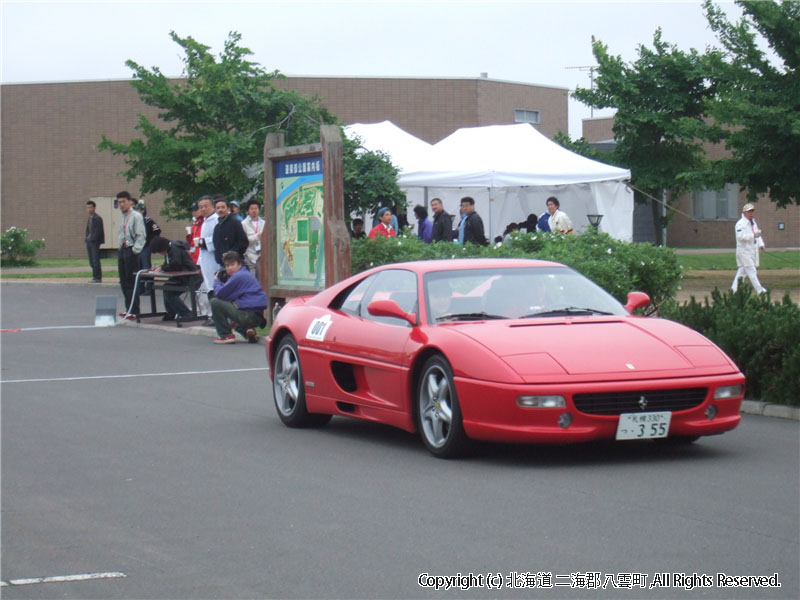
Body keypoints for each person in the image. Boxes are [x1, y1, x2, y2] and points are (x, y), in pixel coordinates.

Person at [211, 251, 268, 344]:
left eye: (232, 264)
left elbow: (220, 294)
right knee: (237, 324)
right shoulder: (245, 274)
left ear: (240, 264)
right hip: (257, 317)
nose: (230, 268)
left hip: (247, 315)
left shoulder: (238, 276)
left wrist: (216, 281)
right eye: (227, 266)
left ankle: (225, 335)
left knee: (215, 302)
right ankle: (248, 331)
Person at [149, 236, 201, 320]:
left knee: (170, 293)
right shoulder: (169, 250)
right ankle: (171, 312)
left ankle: (186, 313)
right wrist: (160, 267)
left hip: (189, 278)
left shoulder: (175, 249)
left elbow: (176, 264)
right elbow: (168, 264)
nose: (160, 253)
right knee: (166, 288)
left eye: (159, 251)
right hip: (180, 277)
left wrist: (162, 268)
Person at [116, 191, 146, 318]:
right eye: (119, 202)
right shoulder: (123, 216)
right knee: (123, 281)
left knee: (131, 281)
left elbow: (141, 235)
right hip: (122, 250)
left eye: (123, 202)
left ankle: (134, 310)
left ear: (129, 202)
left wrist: (135, 250)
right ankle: (128, 308)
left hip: (131, 250)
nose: (121, 205)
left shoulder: (136, 216)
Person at [731, 203, 767, 294]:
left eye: (752, 211)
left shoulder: (753, 223)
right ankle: (760, 290)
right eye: (749, 211)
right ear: (744, 212)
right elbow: (740, 237)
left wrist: (761, 245)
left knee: (742, 272)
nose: (751, 213)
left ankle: (734, 290)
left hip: (751, 251)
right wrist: (753, 235)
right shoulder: (740, 224)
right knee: (751, 271)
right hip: (743, 252)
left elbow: (757, 234)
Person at [212, 196, 249, 266]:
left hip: (236, 263)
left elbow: (243, 242)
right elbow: (216, 245)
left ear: (228, 208)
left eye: (223, 207)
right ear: (215, 210)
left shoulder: (235, 223)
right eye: (218, 208)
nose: (220, 210)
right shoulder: (217, 227)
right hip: (223, 264)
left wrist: (231, 254)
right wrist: (219, 258)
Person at [134, 200, 161, 295]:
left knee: (146, 267)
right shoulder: (136, 221)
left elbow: (157, 230)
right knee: (139, 268)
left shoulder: (148, 221)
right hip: (138, 247)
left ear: (142, 210)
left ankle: (149, 288)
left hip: (146, 247)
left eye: (137, 210)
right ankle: (140, 288)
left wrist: (149, 241)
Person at [196, 195, 220, 298]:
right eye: (201, 207)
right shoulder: (204, 221)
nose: (203, 209)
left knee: (215, 286)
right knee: (209, 286)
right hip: (205, 259)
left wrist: (205, 243)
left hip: (214, 259)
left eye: (206, 206)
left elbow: (218, 238)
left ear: (213, 206)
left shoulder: (216, 220)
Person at [241, 199, 265, 281]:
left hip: (262, 254)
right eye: (252, 209)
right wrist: (257, 236)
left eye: (256, 208)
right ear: (248, 211)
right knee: (252, 278)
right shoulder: (243, 224)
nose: (254, 211)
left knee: (262, 278)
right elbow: (244, 240)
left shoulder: (263, 223)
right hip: (249, 254)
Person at [85, 200, 105, 283]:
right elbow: (88, 230)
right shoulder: (90, 218)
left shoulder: (97, 218)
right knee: (91, 260)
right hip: (89, 241)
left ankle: (98, 277)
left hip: (94, 242)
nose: (89, 209)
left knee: (95, 259)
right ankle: (94, 276)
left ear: (94, 208)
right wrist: (86, 238)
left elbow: (98, 231)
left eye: (90, 207)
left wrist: (93, 239)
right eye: (87, 208)